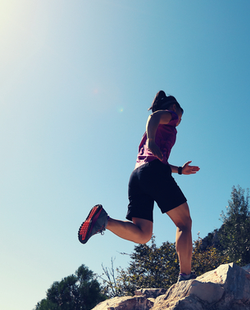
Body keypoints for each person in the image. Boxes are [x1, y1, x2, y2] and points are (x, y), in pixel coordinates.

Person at [78, 90, 201, 282]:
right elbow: (154, 117)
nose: (178, 121)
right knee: (184, 223)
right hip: (153, 172)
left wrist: (179, 170)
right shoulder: (170, 115)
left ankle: (104, 221)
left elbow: (157, 160)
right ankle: (186, 276)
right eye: (180, 117)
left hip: (137, 177)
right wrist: (153, 140)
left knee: (143, 234)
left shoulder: (151, 134)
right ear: (174, 108)